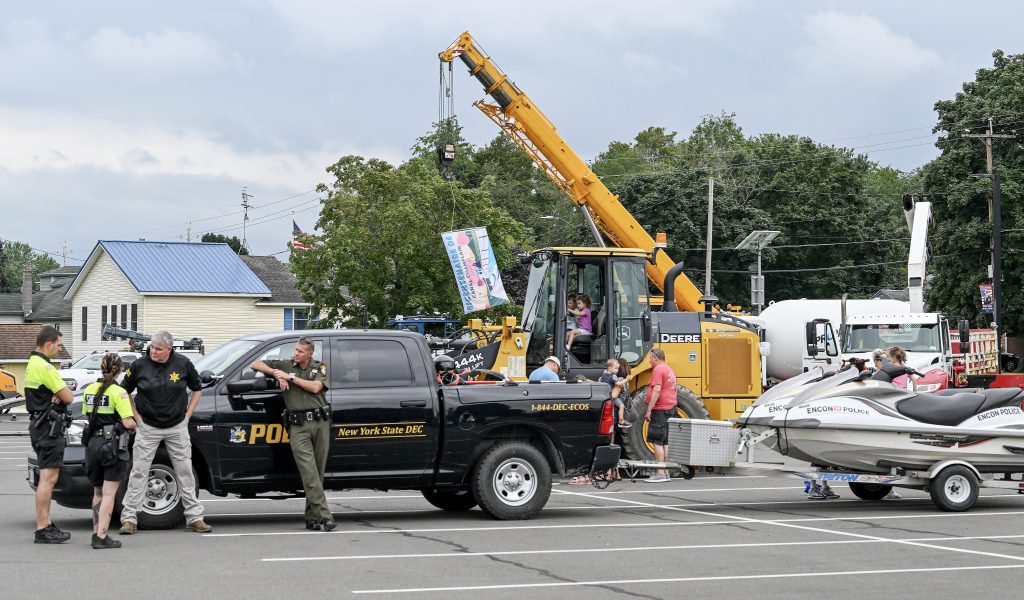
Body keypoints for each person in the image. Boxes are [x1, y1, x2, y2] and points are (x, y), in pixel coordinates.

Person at [119, 331, 212, 534]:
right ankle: (129, 519)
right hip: (148, 427)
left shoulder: (183, 363)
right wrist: (137, 418)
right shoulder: (139, 365)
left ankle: (194, 518)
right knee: (139, 472)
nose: (153, 351)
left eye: (158, 349)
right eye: (152, 347)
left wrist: (188, 415)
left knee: (185, 471)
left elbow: (197, 388)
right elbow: (123, 391)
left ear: (169, 349)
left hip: (177, 426)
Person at [251, 337, 334, 531]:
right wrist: (276, 374)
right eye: (296, 350)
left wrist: (291, 378)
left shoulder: (319, 367)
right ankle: (324, 516)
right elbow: (255, 363)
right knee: (308, 471)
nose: (296, 354)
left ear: (310, 354)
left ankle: (311, 518)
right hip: (298, 426)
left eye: (300, 352)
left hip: (320, 423)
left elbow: (315, 388)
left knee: (317, 473)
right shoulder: (286, 364)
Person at [81, 354, 137, 549]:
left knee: (97, 492)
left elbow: (88, 414)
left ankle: (96, 532)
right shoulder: (118, 392)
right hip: (111, 445)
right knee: (109, 493)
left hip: (92, 444)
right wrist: (134, 426)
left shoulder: (89, 389)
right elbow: (128, 421)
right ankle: (102, 536)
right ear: (119, 370)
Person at [25, 325, 74, 543]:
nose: (59, 349)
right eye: (58, 345)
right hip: (48, 428)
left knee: (47, 476)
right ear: (49, 343)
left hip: (39, 424)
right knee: (48, 477)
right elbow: (69, 397)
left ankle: (45, 522)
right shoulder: (45, 368)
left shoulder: (32, 363)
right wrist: (60, 393)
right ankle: (43, 527)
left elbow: (60, 395)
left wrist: (58, 394)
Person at [643, 348, 676, 483]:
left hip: (660, 409)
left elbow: (656, 389)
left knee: (657, 441)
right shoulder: (668, 368)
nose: (649, 361)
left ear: (655, 357)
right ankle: (666, 471)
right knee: (665, 441)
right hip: (670, 407)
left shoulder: (658, 369)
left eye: (650, 358)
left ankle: (660, 473)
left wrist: (649, 409)